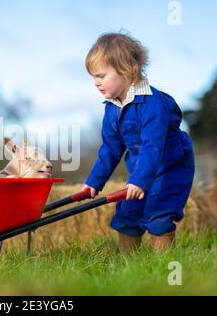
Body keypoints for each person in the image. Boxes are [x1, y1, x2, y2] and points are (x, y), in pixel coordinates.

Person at [81, 32, 195, 253]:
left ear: (125, 69)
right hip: (140, 172)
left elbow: (153, 145)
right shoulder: (112, 108)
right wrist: (94, 182)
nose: (96, 83)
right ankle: (129, 266)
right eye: (93, 77)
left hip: (170, 167)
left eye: (101, 76)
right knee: (127, 214)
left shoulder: (153, 103)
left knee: (159, 214)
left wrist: (140, 181)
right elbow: (110, 149)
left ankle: (163, 266)